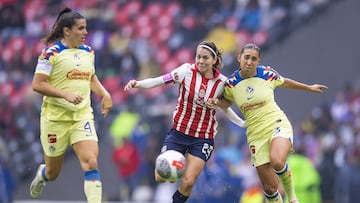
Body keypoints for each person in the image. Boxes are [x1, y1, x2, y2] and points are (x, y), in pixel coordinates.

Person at [124, 41, 246, 203]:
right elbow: (159, 81)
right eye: (198, 57)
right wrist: (138, 84)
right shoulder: (186, 71)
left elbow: (225, 108)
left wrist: (242, 123)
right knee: (160, 177)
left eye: (205, 58)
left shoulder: (222, 83)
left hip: (202, 137)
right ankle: (177, 168)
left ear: (214, 60)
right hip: (179, 133)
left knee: (188, 182)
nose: (201, 61)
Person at [207, 43, 328, 203]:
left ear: (258, 61)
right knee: (270, 188)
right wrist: (216, 102)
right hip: (255, 134)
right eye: (246, 57)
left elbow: (285, 82)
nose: (249, 61)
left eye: (253, 59)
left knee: (277, 160)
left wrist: (308, 88)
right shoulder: (231, 84)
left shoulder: (267, 74)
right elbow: (227, 103)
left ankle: (292, 198)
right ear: (239, 58)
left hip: (276, 124)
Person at [29, 8, 112, 203]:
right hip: (55, 120)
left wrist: (105, 94)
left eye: (86, 28)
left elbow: (90, 77)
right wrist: (65, 95)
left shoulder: (88, 52)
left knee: (91, 162)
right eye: (81, 28)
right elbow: (37, 84)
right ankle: (43, 174)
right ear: (67, 31)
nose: (85, 32)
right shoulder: (51, 54)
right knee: (53, 172)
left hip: (81, 116)